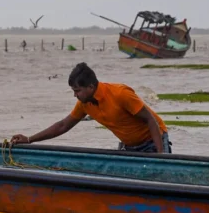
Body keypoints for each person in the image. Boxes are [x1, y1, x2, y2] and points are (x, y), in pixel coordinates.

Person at [10, 62, 171, 153]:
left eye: (77, 91)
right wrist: (29, 139)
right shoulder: (84, 104)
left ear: (91, 86)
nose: (75, 96)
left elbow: (150, 120)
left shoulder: (120, 94)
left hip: (152, 140)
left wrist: (160, 155)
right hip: (129, 145)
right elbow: (63, 125)